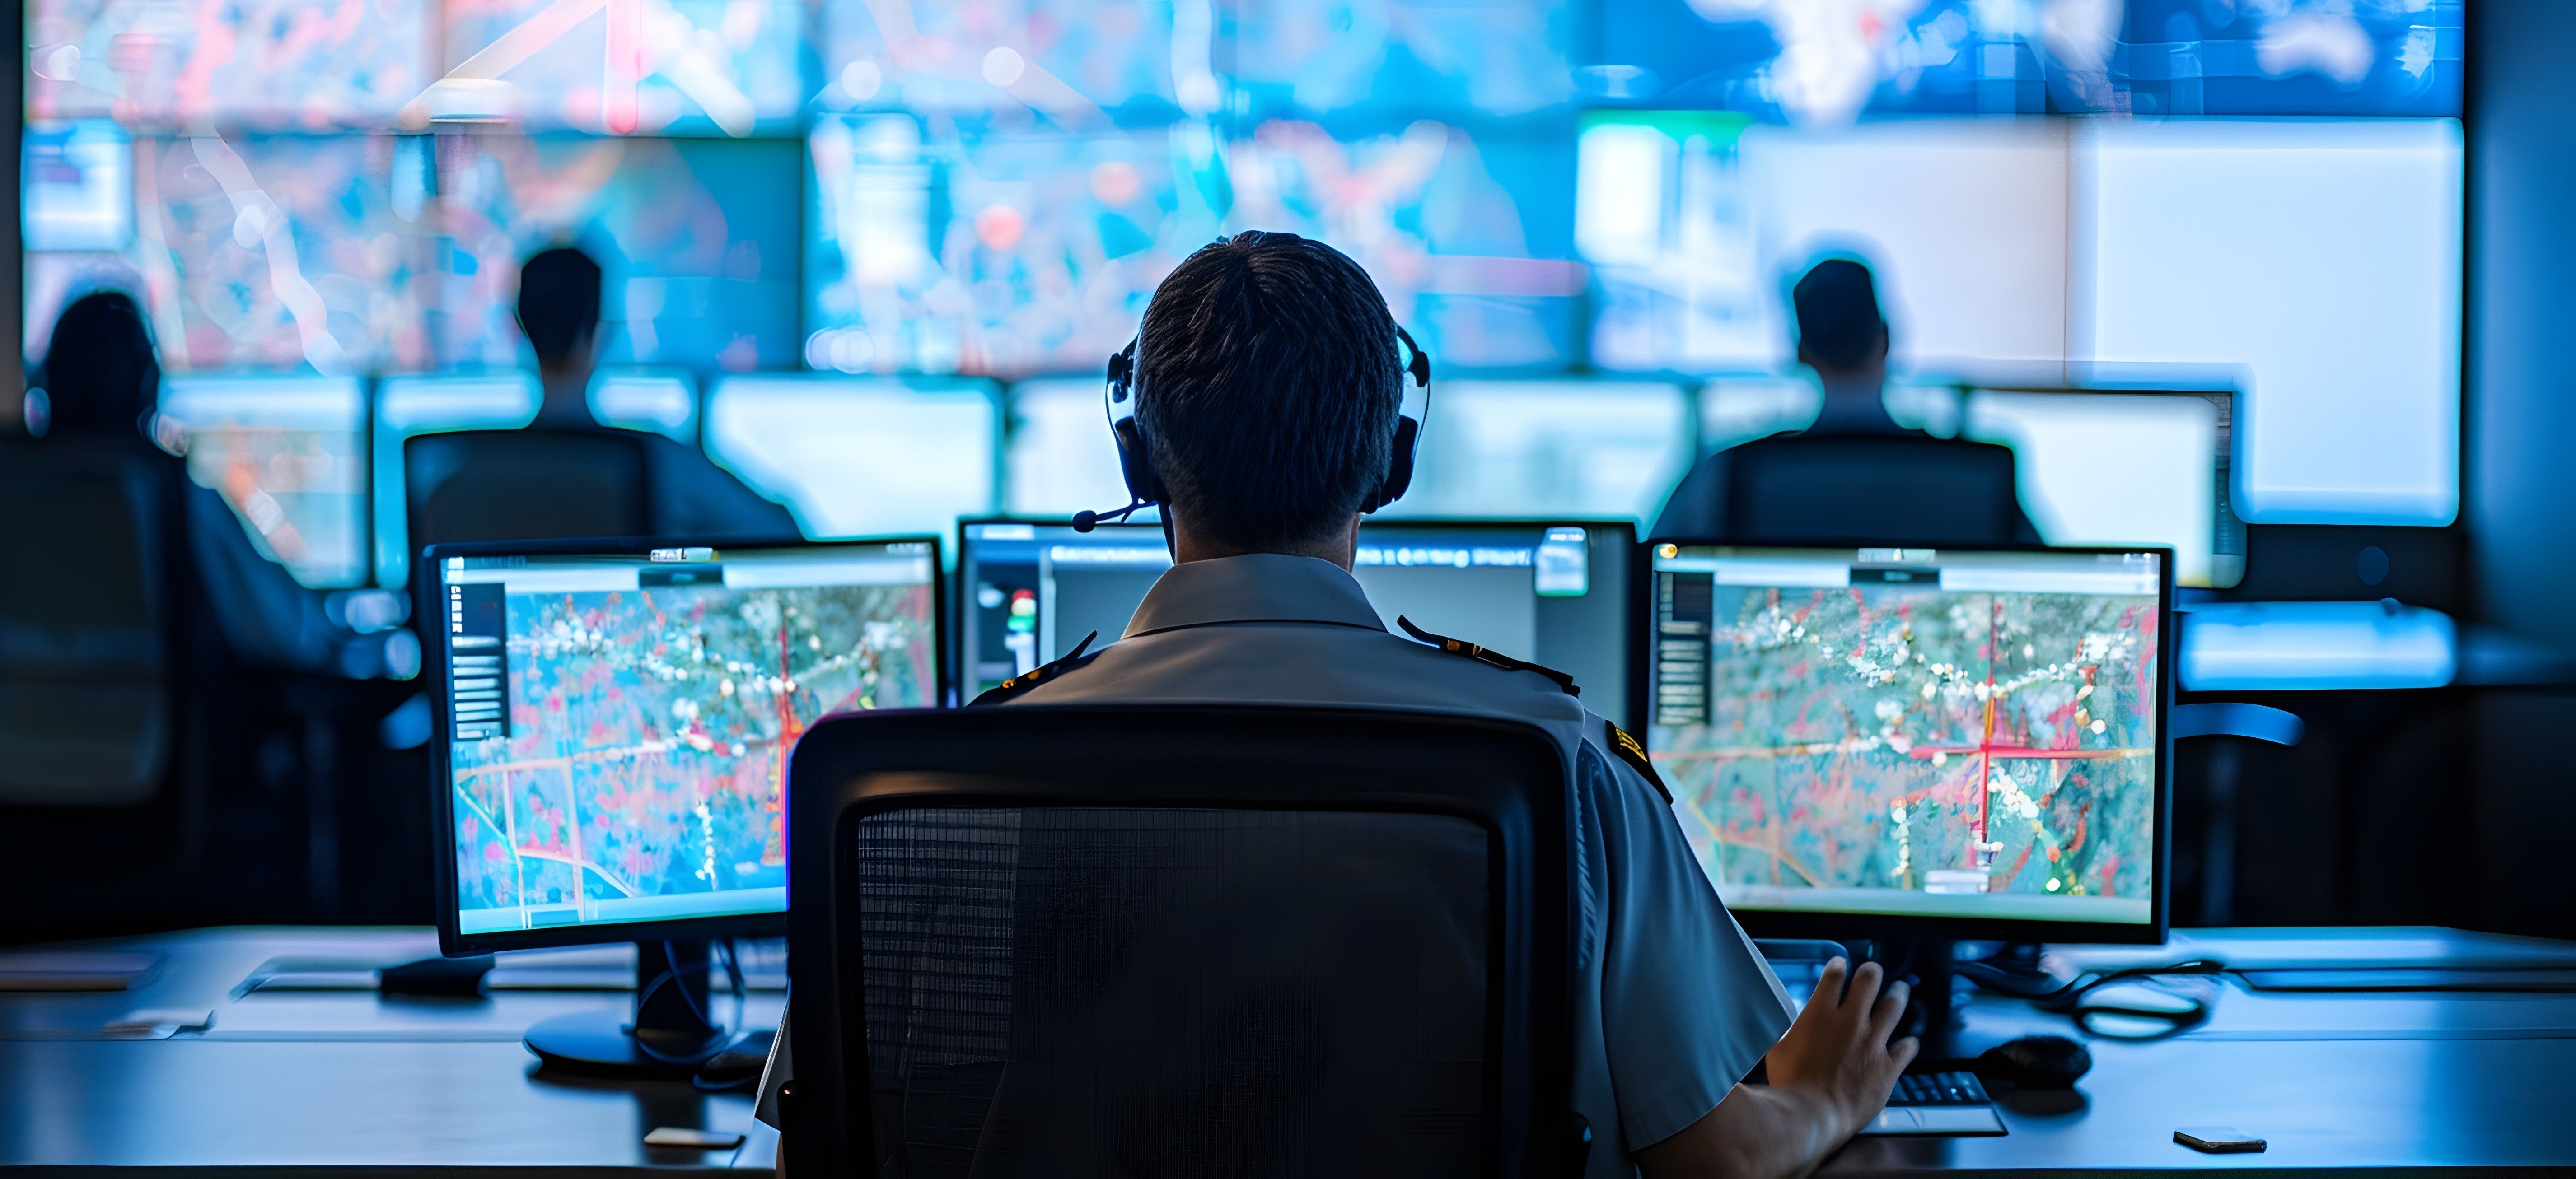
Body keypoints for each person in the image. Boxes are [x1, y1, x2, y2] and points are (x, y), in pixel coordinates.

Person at [757, 233, 1914, 1179]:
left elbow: (814, 1152)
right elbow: (1708, 1159)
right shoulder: (1563, 769)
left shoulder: (933, 795)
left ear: (1141, 461)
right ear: (1390, 460)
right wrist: (1818, 1099)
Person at [37, 290, 384, 679]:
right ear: (147, 391)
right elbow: (287, 633)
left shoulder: (0, 500)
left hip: (19, 731)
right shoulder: (174, 501)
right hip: (158, 736)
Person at [1650, 256, 2041, 545]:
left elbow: (1652, 566)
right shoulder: (1972, 477)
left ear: (1800, 352)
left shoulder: (1732, 473)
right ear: (1886, 339)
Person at [511, 247, 798, 538]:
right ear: (600, 331)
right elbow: (780, 530)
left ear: (520, 326)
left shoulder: (471, 464)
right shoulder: (661, 463)